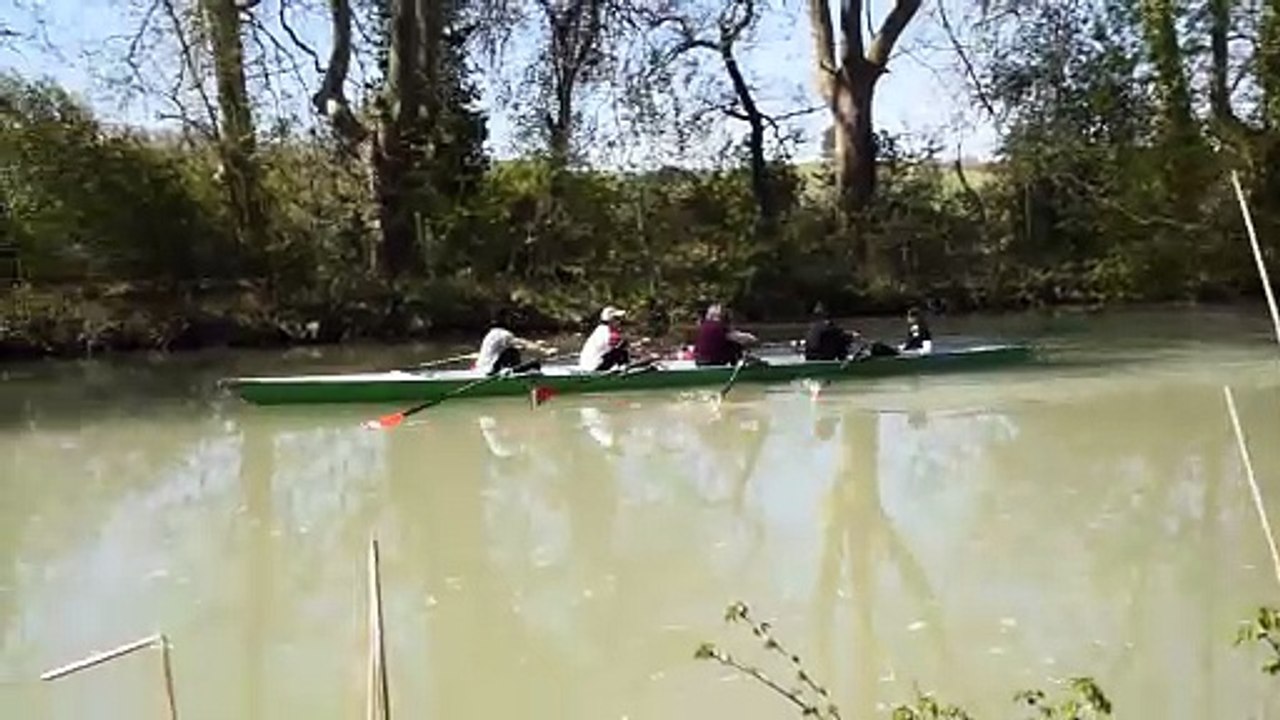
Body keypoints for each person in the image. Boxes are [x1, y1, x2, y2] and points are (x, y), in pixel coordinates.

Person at [476, 309, 550, 376]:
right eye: (510, 319)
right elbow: (524, 343)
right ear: (504, 320)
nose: (513, 322)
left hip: (481, 369)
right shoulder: (503, 334)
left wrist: (536, 345)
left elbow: (521, 347)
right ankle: (508, 373)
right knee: (534, 364)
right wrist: (544, 351)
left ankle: (510, 372)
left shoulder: (492, 333)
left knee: (514, 353)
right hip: (490, 371)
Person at [694, 303, 759, 366]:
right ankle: (741, 363)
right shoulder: (719, 327)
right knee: (735, 345)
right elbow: (739, 337)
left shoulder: (703, 326)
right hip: (715, 361)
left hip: (700, 361)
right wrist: (753, 338)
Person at [579, 305, 631, 372]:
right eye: (617, 319)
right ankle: (625, 371)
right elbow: (620, 344)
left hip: (588, 365)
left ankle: (624, 368)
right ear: (611, 320)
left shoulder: (601, 329)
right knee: (621, 351)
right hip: (594, 367)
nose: (620, 321)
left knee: (621, 349)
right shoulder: (607, 332)